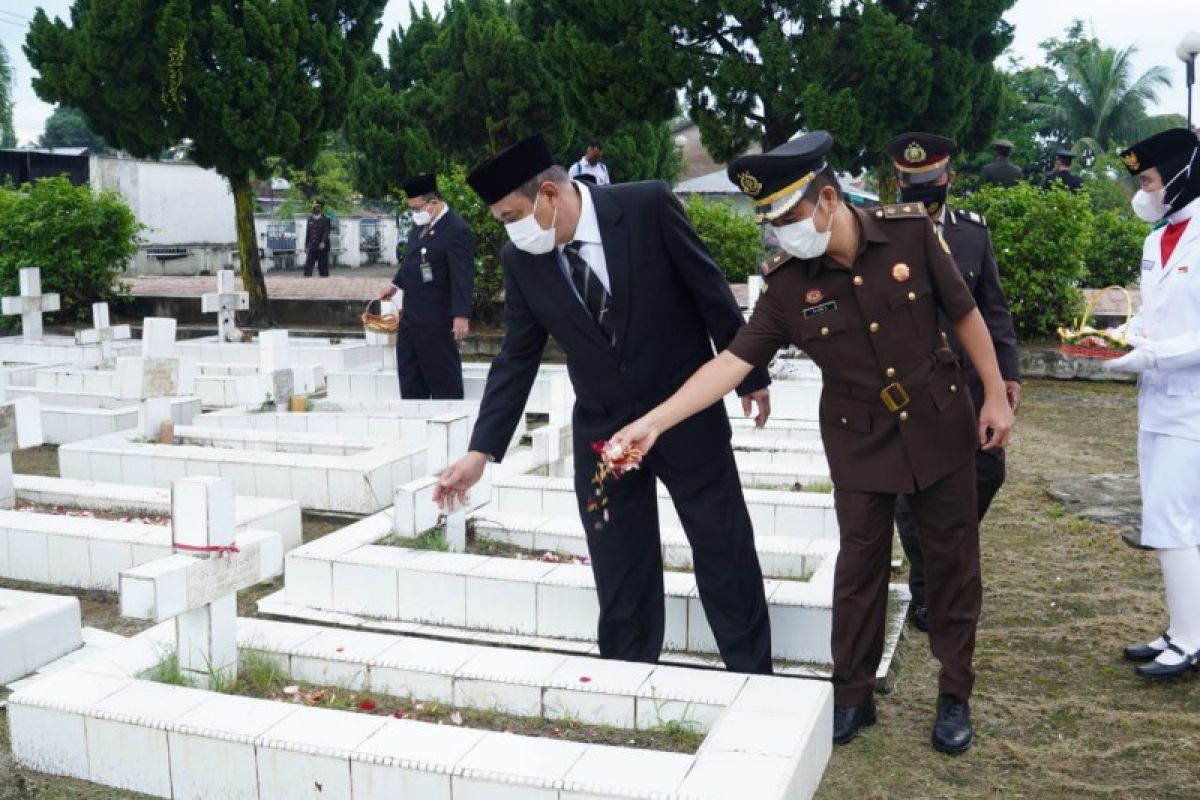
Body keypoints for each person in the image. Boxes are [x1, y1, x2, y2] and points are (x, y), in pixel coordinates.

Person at [609, 131, 1014, 753]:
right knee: (858, 572)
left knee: (954, 564)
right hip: (859, 444)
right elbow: (730, 365)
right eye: (771, 223)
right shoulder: (789, 285)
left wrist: (992, 393)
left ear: (828, 200)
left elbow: (965, 313)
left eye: (789, 216)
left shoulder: (909, 234)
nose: (782, 233)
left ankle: (954, 693)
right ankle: (851, 694)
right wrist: (655, 421)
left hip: (940, 428)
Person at [433, 133, 775, 674]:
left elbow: (708, 288)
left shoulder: (645, 206)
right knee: (619, 563)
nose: (509, 229)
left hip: (683, 415)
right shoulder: (523, 257)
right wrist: (481, 452)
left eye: (509, 215)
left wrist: (749, 375)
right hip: (604, 432)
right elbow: (516, 357)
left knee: (723, 547)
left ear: (549, 195)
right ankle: (627, 676)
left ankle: (753, 672)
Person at [882, 132, 1022, 632]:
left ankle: (945, 555)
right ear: (897, 181)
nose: (921, 190)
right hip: (910, 387)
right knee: (912, 490)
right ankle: (928, 585)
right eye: (910, 182)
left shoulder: (972, 234)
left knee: (987, 473)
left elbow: (994, 311)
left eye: (931, 181)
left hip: (968, 379)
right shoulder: (880, 234)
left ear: (949, 179)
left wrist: (1005, 376)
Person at [1103, 127, 1200, 679]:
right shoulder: (1158, 238)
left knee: (1172, 523)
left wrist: (1152, 357)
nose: (1144, 192)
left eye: (1149, 180)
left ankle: (1188, 641)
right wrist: (1120, 341)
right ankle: (1183, 626)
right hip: (1159, 402)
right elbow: (1151, 315)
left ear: (1183, 177)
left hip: (1191, 402)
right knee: (1172, 518)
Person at [379, 173, 475, 399]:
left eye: (417, 207)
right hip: (412, 315)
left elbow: (463, 275)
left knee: (442, 376)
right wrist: (394, 285)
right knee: (410, 373)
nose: (414, 213)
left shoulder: (456, 229)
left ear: (433, 202)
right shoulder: (420, 225)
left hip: (437, 318)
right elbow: (412, 260)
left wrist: (461, 314)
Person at [303, 200, 332, 277]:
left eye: (317, 207)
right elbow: (308, 234)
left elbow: (326, 232)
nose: (316, 208)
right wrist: (306, 246)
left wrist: (323, 242)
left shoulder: (326, 219)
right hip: (311, 247)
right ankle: (306, 283)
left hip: (322, 248)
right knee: (308, 267)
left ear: (321, 208)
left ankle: (325, 283)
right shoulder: (310, 219)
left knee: (323, 268)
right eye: (314, 207)